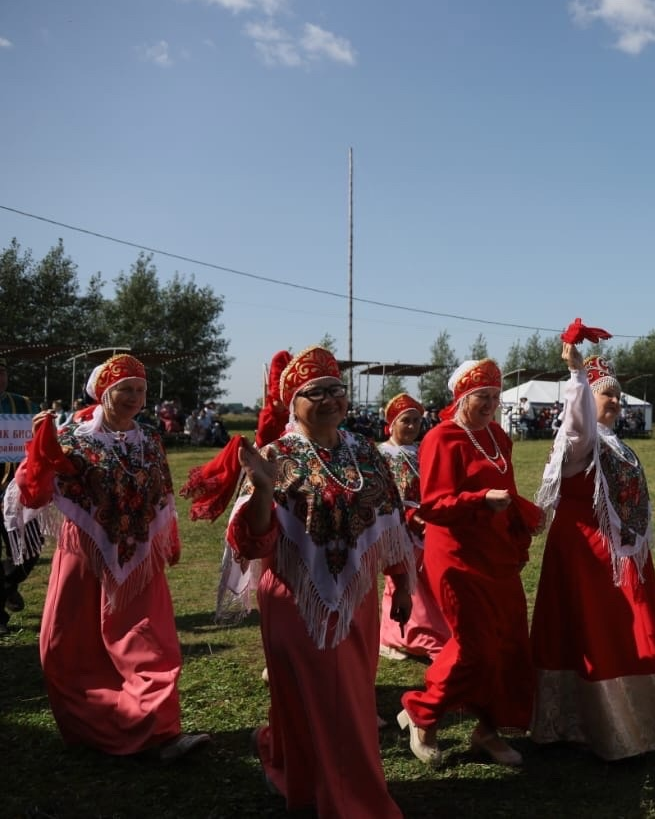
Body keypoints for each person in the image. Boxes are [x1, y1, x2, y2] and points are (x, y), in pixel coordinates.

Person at [227, 346, 416, 818]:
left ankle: (299, 773)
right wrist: (264, 490)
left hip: (357, 598)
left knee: (341, 697)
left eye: (337, 389)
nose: (331, 398)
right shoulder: (278, 455)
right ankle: (353, 804)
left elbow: (390, 520)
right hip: (296, 599)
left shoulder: (364, 451)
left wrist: (402, 581)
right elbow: (254, 541)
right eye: (316, 392)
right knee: (334, 707)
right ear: (293, 402)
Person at [7, 354, 209, 759]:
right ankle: (93, 726)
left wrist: (167, 539)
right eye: (125, 390)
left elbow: (162, 494)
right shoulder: (74, 438)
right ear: (104, 393)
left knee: (150, 640)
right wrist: (39, 450)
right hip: (85, 553)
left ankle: (158, 731)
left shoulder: (149, 439)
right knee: (75, 643)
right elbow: (34, 492)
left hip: (140, 556)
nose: (134, 397)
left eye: (140, 390)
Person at [529, 344, 655, 760]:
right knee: (602, 631)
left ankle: (635, 724)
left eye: (618, 395)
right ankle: (606, 727)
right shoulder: (579, 439)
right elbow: (578, 417)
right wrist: (578, 377)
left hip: (620, 550)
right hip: (588, 552)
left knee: (629, 628)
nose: (616, 402)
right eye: (608, 395)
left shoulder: (612, 441)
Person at [398, 358, 541, 767]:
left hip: (496, 553)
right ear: (462, 396)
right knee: (473, 647)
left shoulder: (497, 435)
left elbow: (507, 490)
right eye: (483, 396)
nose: (491, 404)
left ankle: (488, 731)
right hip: (457, 556)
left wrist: (525, 515)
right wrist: (480, 501)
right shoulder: (441, 438)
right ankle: (422, 712)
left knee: (510, 644)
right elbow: (435, 506)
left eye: (496, 396)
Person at [377, 392, 450, 662]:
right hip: (395, 523)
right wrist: (406, 516)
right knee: (400, 579)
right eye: (405, 421)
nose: (411, 426)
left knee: (425, 578)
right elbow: (383, 493)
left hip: (425, 523)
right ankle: (403, 636)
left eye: (417, 421)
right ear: (392, 423)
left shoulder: (422, 450)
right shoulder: (380, 454)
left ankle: (401, 634)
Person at [1, 358, 40, 634]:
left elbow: (42, 441)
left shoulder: (24, 405)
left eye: (1, 371)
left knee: (30, 550)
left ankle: (7, 584)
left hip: (17, 491)